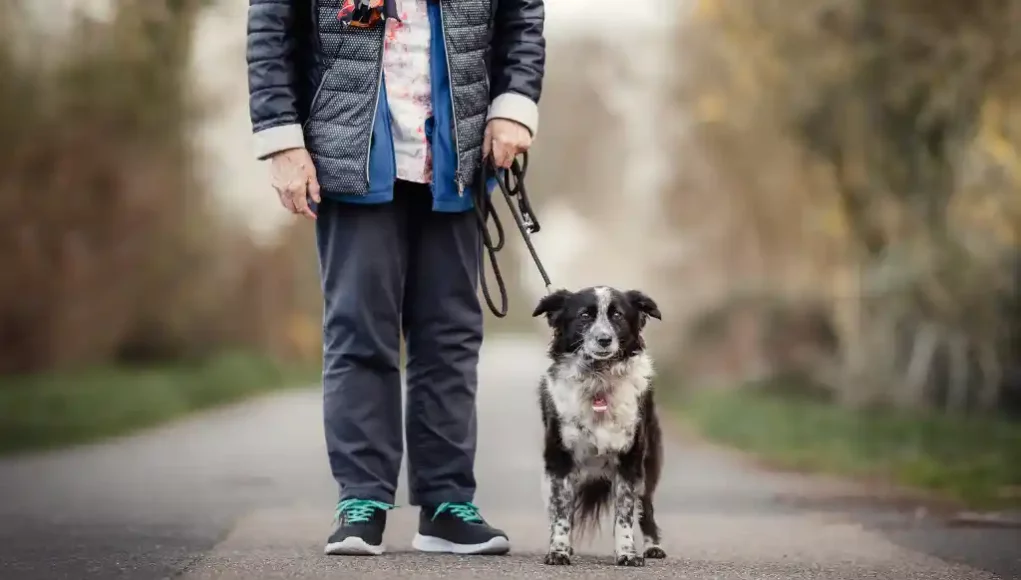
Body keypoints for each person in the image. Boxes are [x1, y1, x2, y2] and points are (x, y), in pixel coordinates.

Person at [246, 0, 545, 557]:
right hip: (351, 145)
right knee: (360, 329)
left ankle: (446, 504)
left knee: (450, 335)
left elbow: (522, 13)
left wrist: (513, 105)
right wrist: (282, 140)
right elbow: (271, 24)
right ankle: (361, 500)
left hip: (455, 148)